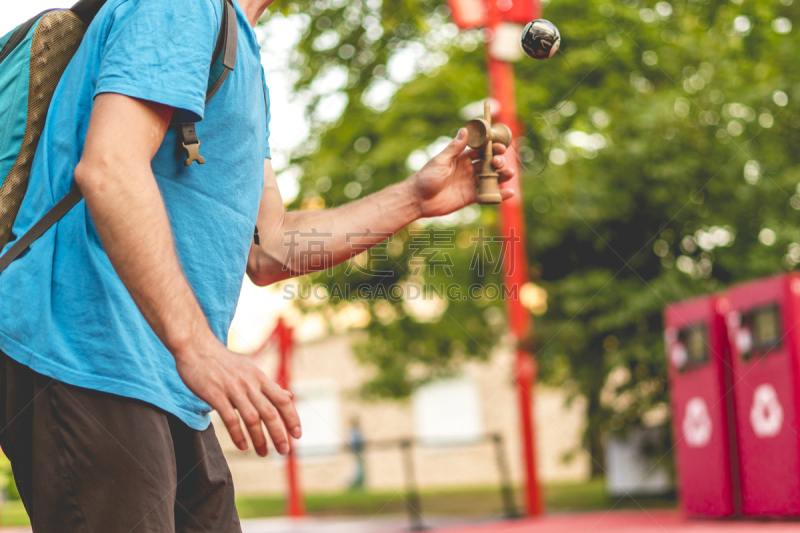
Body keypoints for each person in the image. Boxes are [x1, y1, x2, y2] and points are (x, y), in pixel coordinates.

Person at [0, 0, 515, 530]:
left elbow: (270, 250)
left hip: (166, 378)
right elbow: (110, 169)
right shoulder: (181, 7)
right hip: (85, 352)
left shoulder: (240, 51)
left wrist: (416, 199)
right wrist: (198, 348)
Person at [348, 417, 366, 491]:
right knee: (355, 468)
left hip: (359, 451)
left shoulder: (358, 431)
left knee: (359, 468)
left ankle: (360, 484)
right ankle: (354, 485)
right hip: (355, 451)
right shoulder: (352, 432)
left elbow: (362, 441)